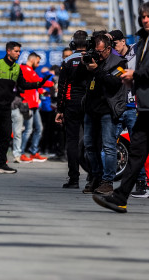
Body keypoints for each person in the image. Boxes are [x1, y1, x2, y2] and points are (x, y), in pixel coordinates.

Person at [93, 2, 149, 212]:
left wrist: (136, 75)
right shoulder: (142, 43)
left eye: (148, 16)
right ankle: (120, 196)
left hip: (139, 106)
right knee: (136, 151)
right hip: (138, 106)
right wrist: (132, 81)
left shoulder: (140, 47)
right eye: (143, 16)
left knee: (136, 150)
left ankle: (125, 193)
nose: (145, 20)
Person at [0, 41, 51, 174]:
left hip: (6, 107)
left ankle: (2, 164)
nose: (18, 53)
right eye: (16, 51)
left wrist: (40, 83)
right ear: (8, 51)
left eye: (19, 51)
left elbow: (24, 85)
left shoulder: (17, 68)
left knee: (6, 136)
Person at [82, 33, 127, 194]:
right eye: (96, 50)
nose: (98, 54)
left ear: (108, 49)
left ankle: (107, 181)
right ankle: (96, 176)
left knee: (108, 147)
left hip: (108, 110)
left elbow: (113, 83)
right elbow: (77, 79)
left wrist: (97, 70)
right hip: (90, 109)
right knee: (88, 146)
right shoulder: (93, 60)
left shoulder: (120, 63)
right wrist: (84, 65)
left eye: (100, 51)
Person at [109, 29, 149, 197]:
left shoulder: (137, 50)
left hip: (136, 106)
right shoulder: (114, 59)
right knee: (111, 144)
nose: (114, 47)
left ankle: (140, 185)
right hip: (120, 105)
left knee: (137, 148)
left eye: (115, 44)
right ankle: (110, 185)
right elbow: (112, 77)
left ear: (123, 41)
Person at [55, 30, 90, 189]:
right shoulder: (93, 59)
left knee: (72, 142)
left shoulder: (68, 61)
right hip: (90, 104)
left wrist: (60, 110)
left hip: (71, 104)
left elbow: (61, 88)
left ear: (73, 44)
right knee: (91, 141)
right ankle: (93, 177)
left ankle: (74, 179)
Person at [19, 52, 55, 162]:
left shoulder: (30, 70)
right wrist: (52, 83)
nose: (38, 64)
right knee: (29, 130)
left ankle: (33, 152)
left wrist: (41, 91)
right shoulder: (25, 70)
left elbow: (35, 85)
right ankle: (21, 153)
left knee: (39, 129)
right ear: (32, 60)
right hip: (28, 104)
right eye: (38, 62)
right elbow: (38, 81)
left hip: (33, 105)